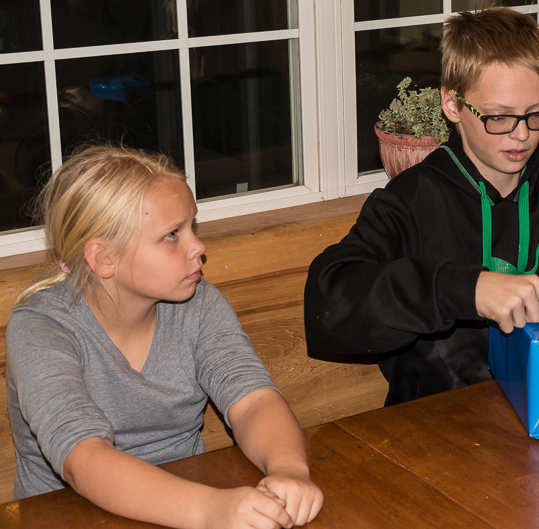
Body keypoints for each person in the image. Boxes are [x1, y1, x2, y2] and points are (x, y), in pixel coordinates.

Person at [304, 6, 539, 406]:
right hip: (442, 421)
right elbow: (330, 298)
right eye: (499, 117)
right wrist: (467, 289)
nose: (521, 135)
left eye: (536, 114)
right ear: (452, 104)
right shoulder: (412, 199)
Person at [6, 145, 323, 528]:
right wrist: (211, 510)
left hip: (187, 503)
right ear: (104, 258)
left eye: (192, 227)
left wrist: (289, 470)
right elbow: (84, 459)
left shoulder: (199, 303)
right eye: (172, 234)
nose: (198, 246)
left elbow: (253, 400)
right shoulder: (41, 328)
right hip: (69, 514)